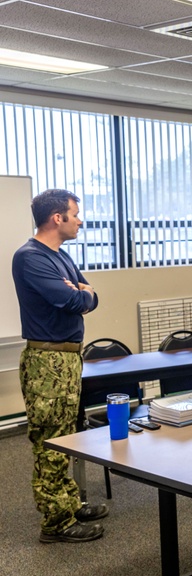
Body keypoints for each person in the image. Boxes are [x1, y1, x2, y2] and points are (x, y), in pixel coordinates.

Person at [12, 189, 107, 544]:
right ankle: (56, 522)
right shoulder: (30, 257)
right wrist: (80, 292)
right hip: (46, 362)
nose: (80, 220)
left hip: (67, 358)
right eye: (75, 214)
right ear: (57, 218)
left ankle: (67, 502)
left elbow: (89, 296)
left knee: (65, 434)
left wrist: (82, 292)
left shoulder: (60, 256)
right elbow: (71, 298)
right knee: (50, 439)